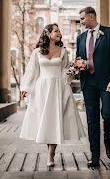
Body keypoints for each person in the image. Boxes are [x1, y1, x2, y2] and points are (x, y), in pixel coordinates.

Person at [20, 23, 85, 167]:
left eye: (59, 31)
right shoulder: (37, 52)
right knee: (46, 121)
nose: (59, 33)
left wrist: (71, 72)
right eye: (56, 31)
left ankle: (50, 155)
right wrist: (25, 87)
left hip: (59, 88)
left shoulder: (63, 51)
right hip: (42, 89)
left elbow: (66, 70)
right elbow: (32, 71)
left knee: (55, 120)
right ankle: (50, 152)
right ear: (48, 34)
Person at [76, 6, 110, 167]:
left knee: (108, 114)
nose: (81, 22)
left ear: (91, 16)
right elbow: (79, 59)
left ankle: (108, 141)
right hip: (88, 82)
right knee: (91, 120)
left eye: (82, 19)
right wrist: (76, 67)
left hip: (107, 82)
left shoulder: (109, 33)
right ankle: (94, 155)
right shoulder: (80, 38)